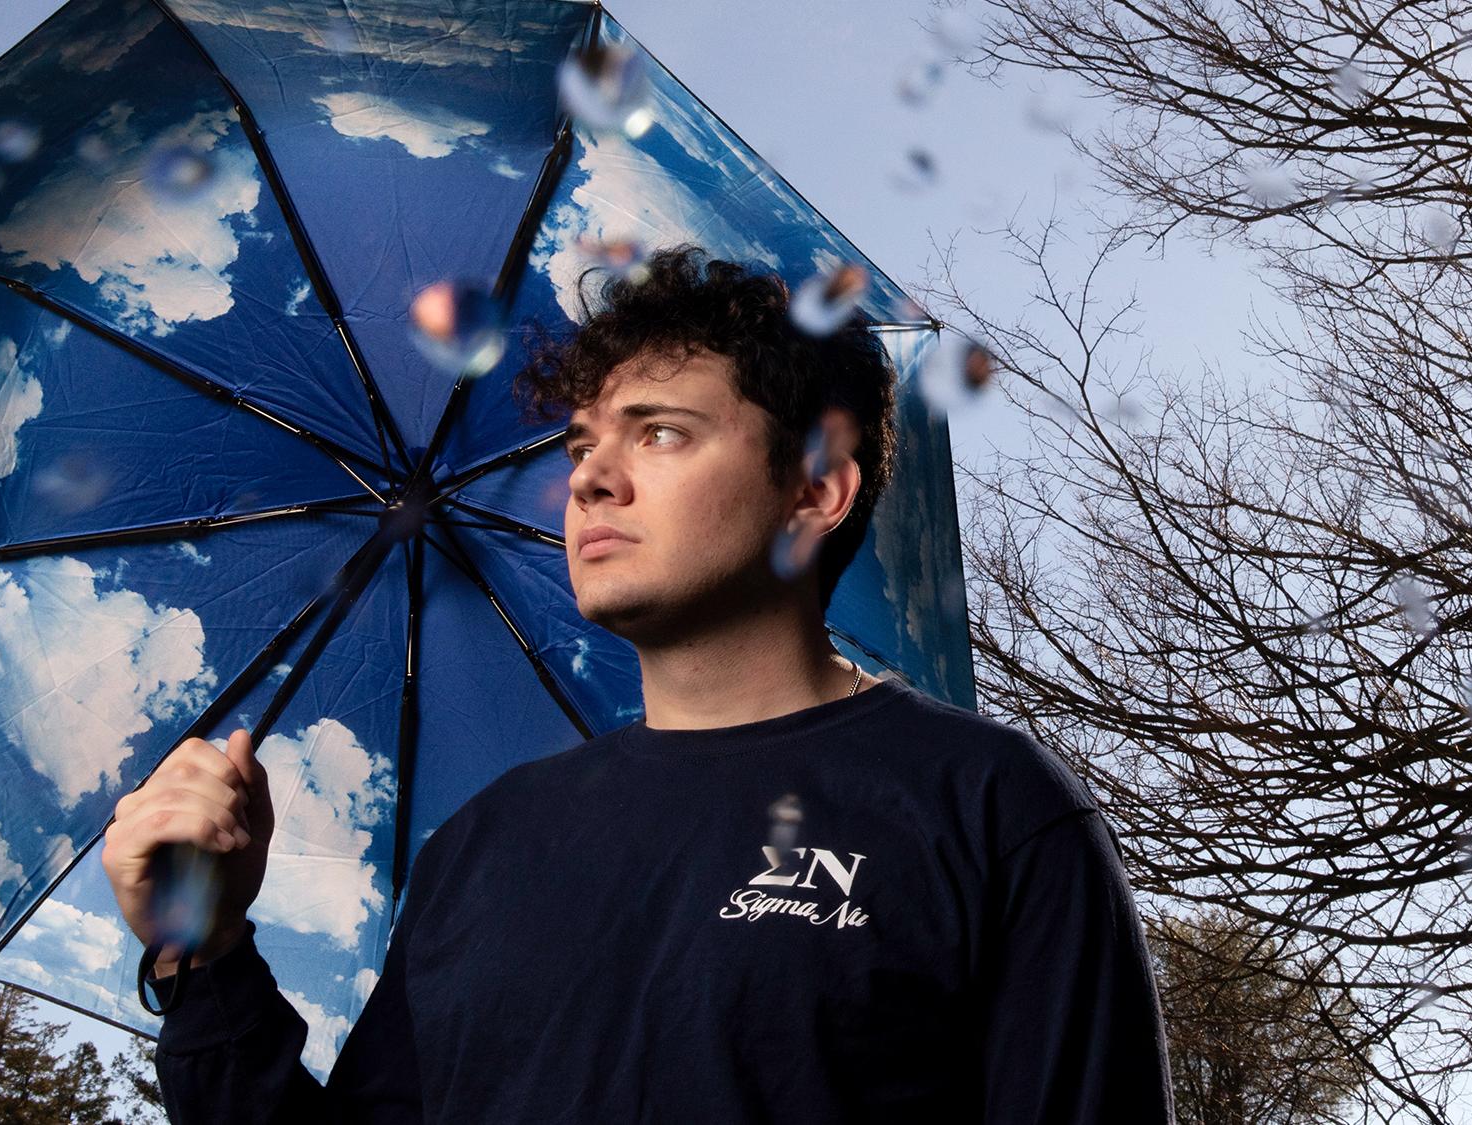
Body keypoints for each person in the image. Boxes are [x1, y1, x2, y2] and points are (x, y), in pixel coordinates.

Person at [101, 245, 1174, 1123]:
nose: (588, 476)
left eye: (661, 431)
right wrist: (203, 953)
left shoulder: (981, 805)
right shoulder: (486, 844)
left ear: (813, 492)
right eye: (580, 442)